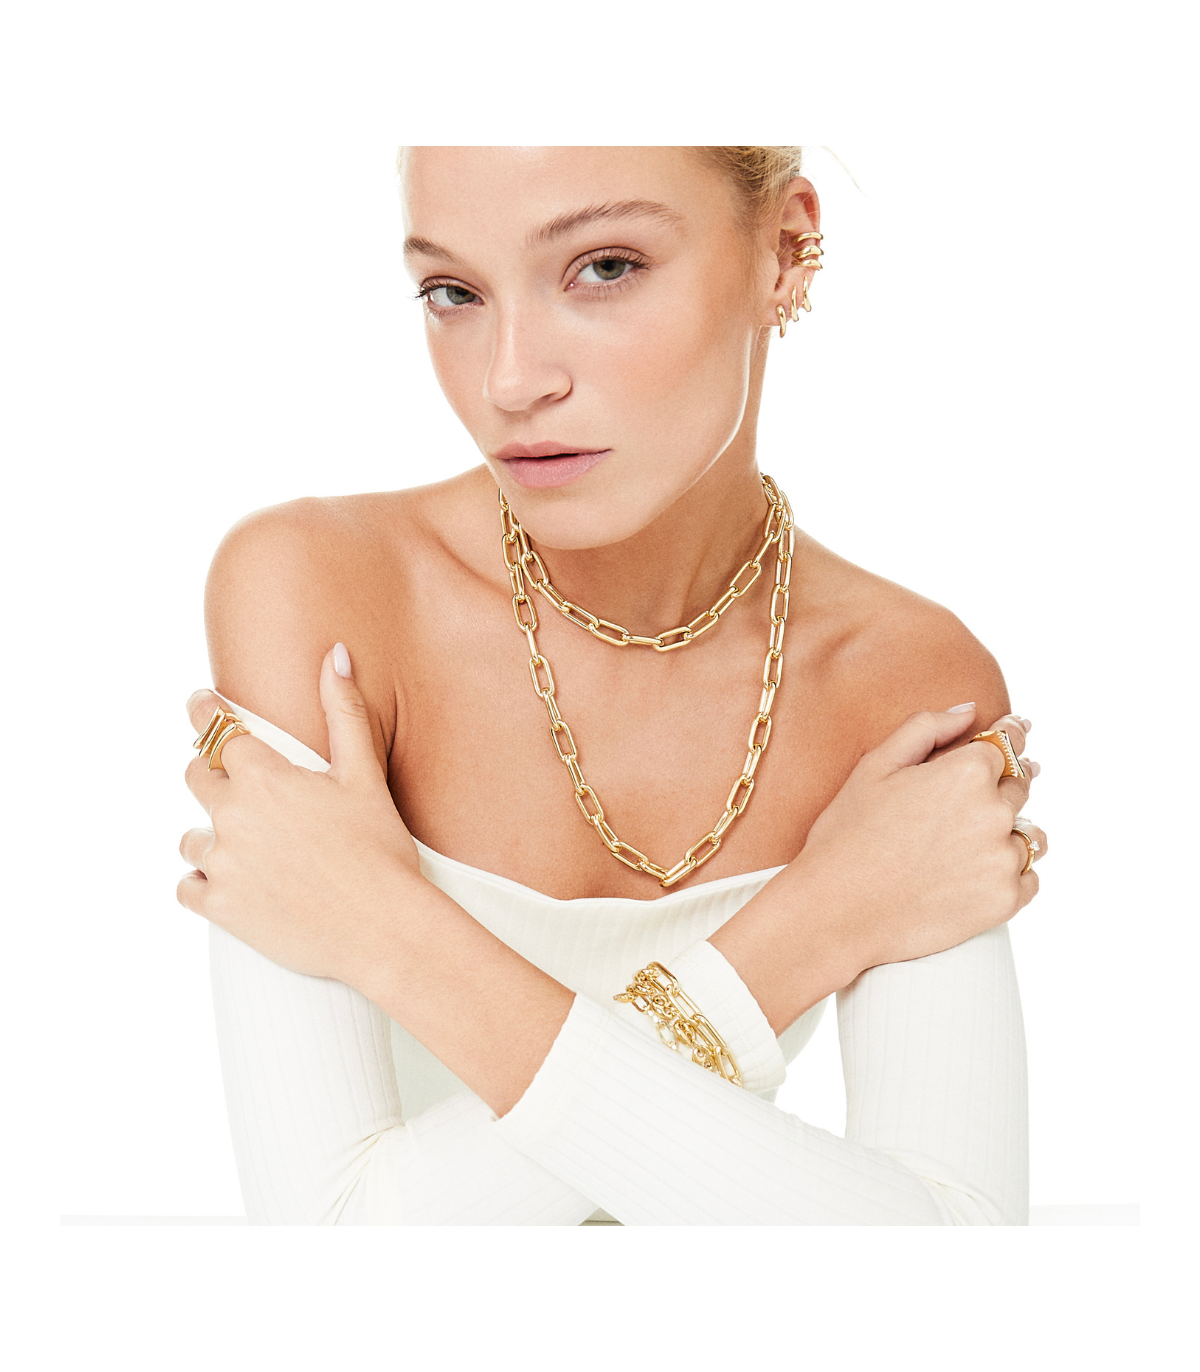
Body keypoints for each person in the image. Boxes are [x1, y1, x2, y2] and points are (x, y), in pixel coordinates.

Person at [177, 146, 1046, 1225]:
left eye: (604, 268)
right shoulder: (326, 599)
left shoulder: (903, 682)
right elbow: (328, 1250)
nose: (510, 382)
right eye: (454, 292)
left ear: (784, 249)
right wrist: (808, 930)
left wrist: (384, 928)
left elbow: (958, 1266)